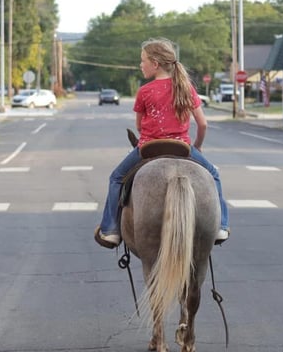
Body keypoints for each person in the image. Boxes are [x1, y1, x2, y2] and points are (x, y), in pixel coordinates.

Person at [95, 38, 230, 248]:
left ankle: (110, 230)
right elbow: (203, 124)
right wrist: (198, 145)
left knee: (116, 178)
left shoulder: (145, 92)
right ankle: (221, 225)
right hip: (182, 147)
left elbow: (139, 127)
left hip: (148, 148)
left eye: (143, 61)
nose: (141, 65)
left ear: (155, 64)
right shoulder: (186, 88)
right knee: (213, 174)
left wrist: (153, 133)